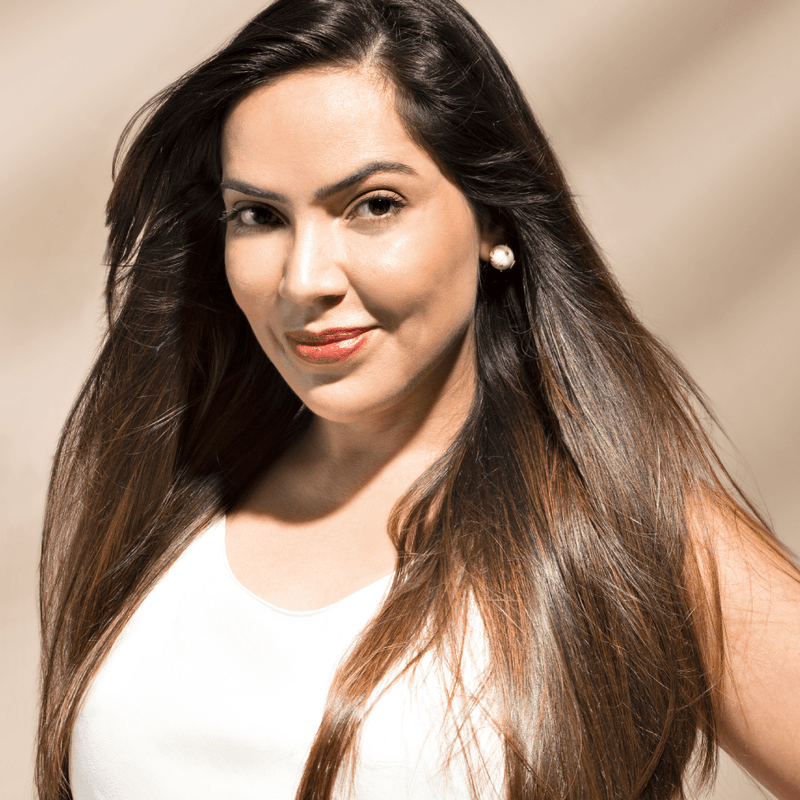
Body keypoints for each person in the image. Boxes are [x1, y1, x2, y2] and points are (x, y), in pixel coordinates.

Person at [37, 0, 800, 798]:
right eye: (259, 216)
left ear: (493, 216)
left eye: (374, 205)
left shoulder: (628, 530)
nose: (304, 280)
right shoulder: (163, 499)